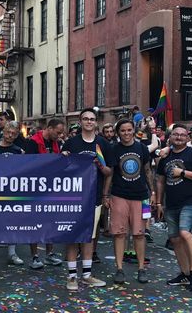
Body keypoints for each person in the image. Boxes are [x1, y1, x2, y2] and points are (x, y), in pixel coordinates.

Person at [61, 108, 111, 290]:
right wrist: (63, 158)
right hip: (73, 197)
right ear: (80, 121)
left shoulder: (102, 144)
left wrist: (100, 166)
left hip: (94, 196)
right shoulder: (71, 143)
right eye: (85, 119)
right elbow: (62, 171)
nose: (89, 122)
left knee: (89, 236)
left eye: (92, 119)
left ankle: (87, 275)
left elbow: (109, 172)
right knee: (73, 235)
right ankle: (72, 276)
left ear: (96, 122)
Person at [155, 124, 192, 292]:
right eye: (175, 135)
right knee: (175, 239)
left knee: (185, 233)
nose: (179, 137)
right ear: (170, 137)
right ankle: (185, 273)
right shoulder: (166, 156)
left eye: (182, 135)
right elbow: (160, 181)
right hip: (171, 203)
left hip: (191, 201)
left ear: (188, 138)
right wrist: (158, 202)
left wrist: (183, 173)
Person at [105, 119, 151, 284]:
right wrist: (106, 195)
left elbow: (147, 170)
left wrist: (151, 193)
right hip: (119, 195)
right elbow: (110, 173)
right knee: (119, 233)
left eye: (129, 130)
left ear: (133, 131)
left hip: (140, 195)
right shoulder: (114, 149)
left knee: (139, 234)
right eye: (123, 131)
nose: (126, 133)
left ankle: (141, 268)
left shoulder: (142, 148)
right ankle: (119, 268)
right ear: (118, 133)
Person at [22, 118, 66, 269]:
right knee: (34, 223)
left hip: (50, 189)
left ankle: (49, 254)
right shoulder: (32, 142)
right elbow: (28, 166)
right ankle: (34, 256)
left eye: (61, 133)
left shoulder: (56, 144)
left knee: (51, 222)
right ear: (50, 128)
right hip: (35, 189)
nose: (60, 136)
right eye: (58, 132)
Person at [0, 120, 26, 267]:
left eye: (13, 133)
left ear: (17, 135)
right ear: (3, 131)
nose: (10, 135)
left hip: (12, 192)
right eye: (8, 132)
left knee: (13, 222)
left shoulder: (19, 151)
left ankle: (12, 253)